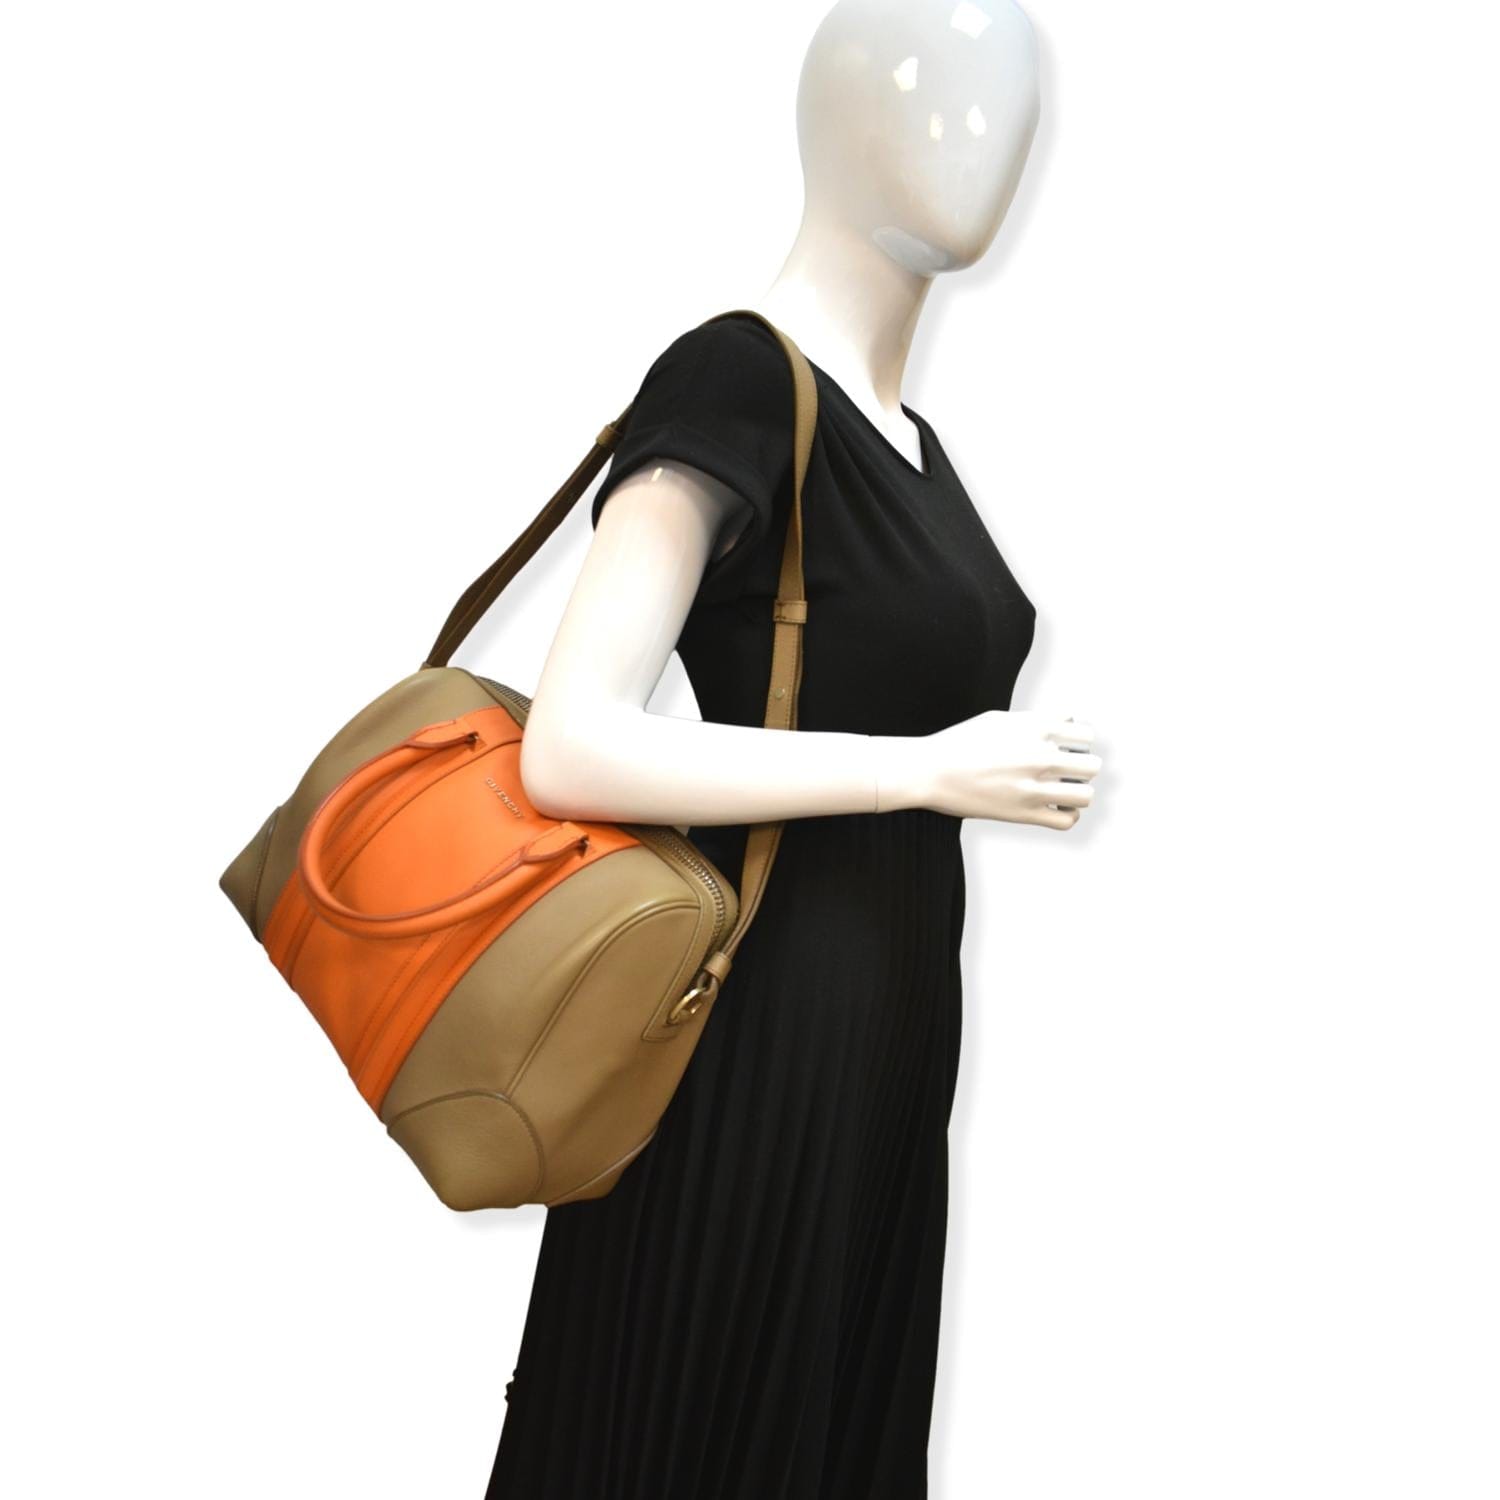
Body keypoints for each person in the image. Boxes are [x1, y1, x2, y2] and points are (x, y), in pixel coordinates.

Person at [487, 2, 1101, 1494]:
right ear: (834, 114)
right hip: (749, 1024)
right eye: (939, 88)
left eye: (1013, 108)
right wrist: (920, 769)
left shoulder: (915, 444)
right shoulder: (740, 377)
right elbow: (570, 745)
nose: (984, 134)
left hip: (891, 1027)